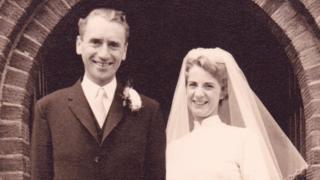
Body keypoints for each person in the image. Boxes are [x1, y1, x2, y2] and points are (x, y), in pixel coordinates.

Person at [31, 8, 166, 180]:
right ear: (79, 45)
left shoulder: (149, 112)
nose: (103, 54)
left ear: (124, 51)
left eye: (113, 45)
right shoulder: (48, 109)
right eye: (95, 42)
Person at [166, 47, 308, 180]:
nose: (198, 94)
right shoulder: (174, 149)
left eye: (208, 86)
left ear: (222, 91)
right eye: (193, 85)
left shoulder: (244, 140)